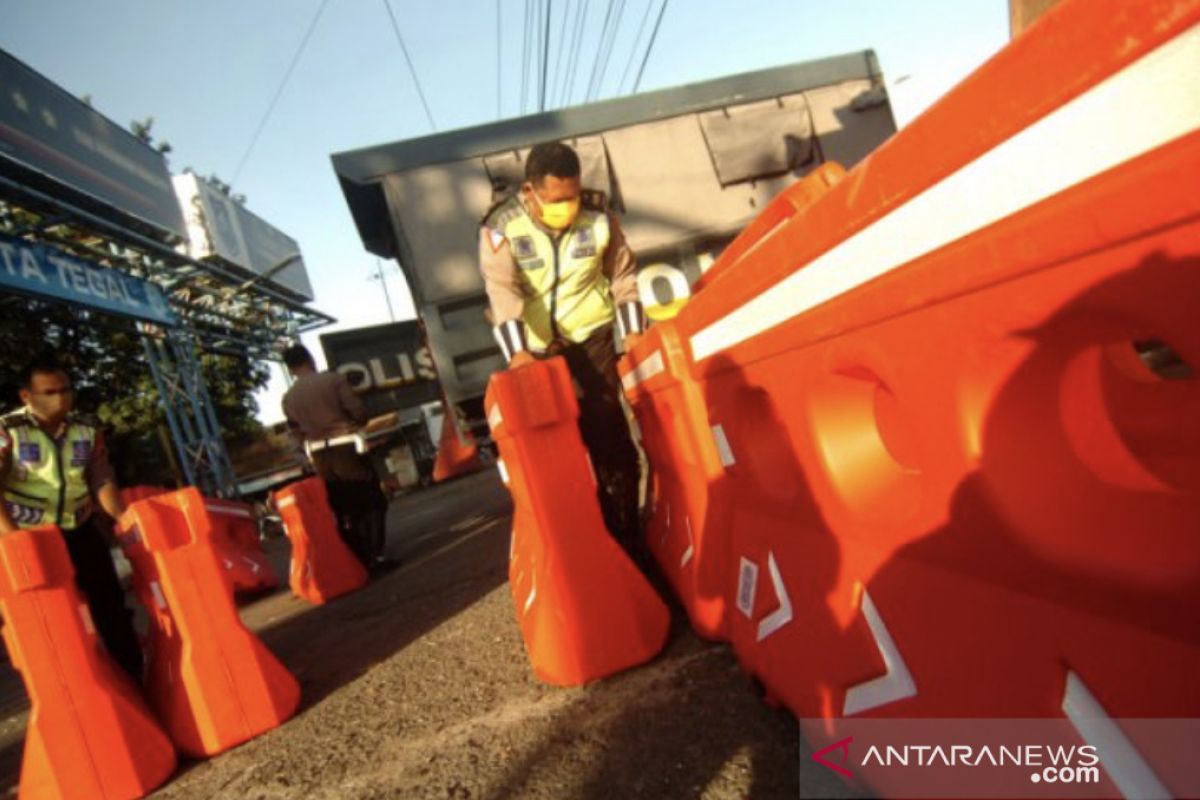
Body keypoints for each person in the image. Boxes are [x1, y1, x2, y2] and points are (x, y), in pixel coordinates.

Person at [479, 141, 644, 553]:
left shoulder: (600, 215)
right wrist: (518, 353)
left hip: (594, 338)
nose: (566, 208)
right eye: (555, 200)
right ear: (530, 191)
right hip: (536, 352)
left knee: (612, 440)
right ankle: (583, 544)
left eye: (572, 197)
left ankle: (628, 535)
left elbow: (623, 277)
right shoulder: (501, 227)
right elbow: (501, 291)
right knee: (557, 455)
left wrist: (634, 334)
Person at [0, 356, 143, 682]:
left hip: (79, 529)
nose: (61, 398)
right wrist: (12, 539)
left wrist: (123, 521)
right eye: (49, 392)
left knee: (111, 606)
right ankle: (74, 686)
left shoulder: (87, 429)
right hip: (31, 537)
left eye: (65, 390)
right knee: (53, 619)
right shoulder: (7, 431)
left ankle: (133, 676)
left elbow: (101, 478)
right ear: (27, 396)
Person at [280, 344, 392, 572]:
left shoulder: (289, 398)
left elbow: (295, 432)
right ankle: (375, 555)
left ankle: (358, 557)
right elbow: (358, 412)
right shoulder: (334, 381)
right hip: (346, 446)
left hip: (319, 455)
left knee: (343, 507)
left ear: (290, 369)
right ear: (310, 359)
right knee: (371, 501)